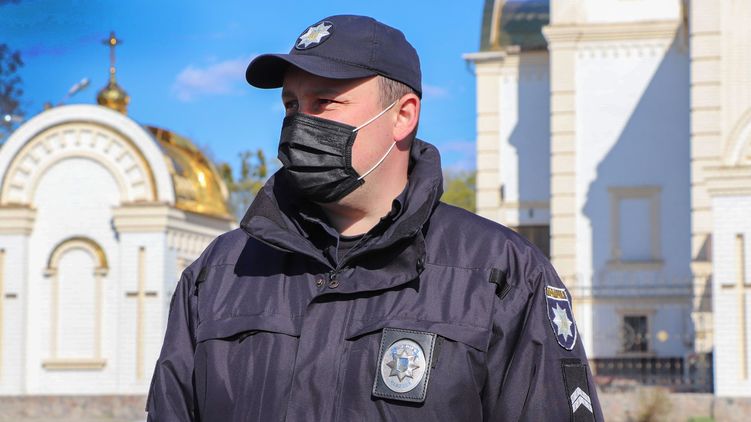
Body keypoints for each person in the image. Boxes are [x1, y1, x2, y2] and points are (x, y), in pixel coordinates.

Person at [146, 14, 603, 422]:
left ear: (403, 116)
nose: (300, 124)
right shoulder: (219, 274)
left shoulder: (500, 273)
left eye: (324, 103)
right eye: (291, 106)